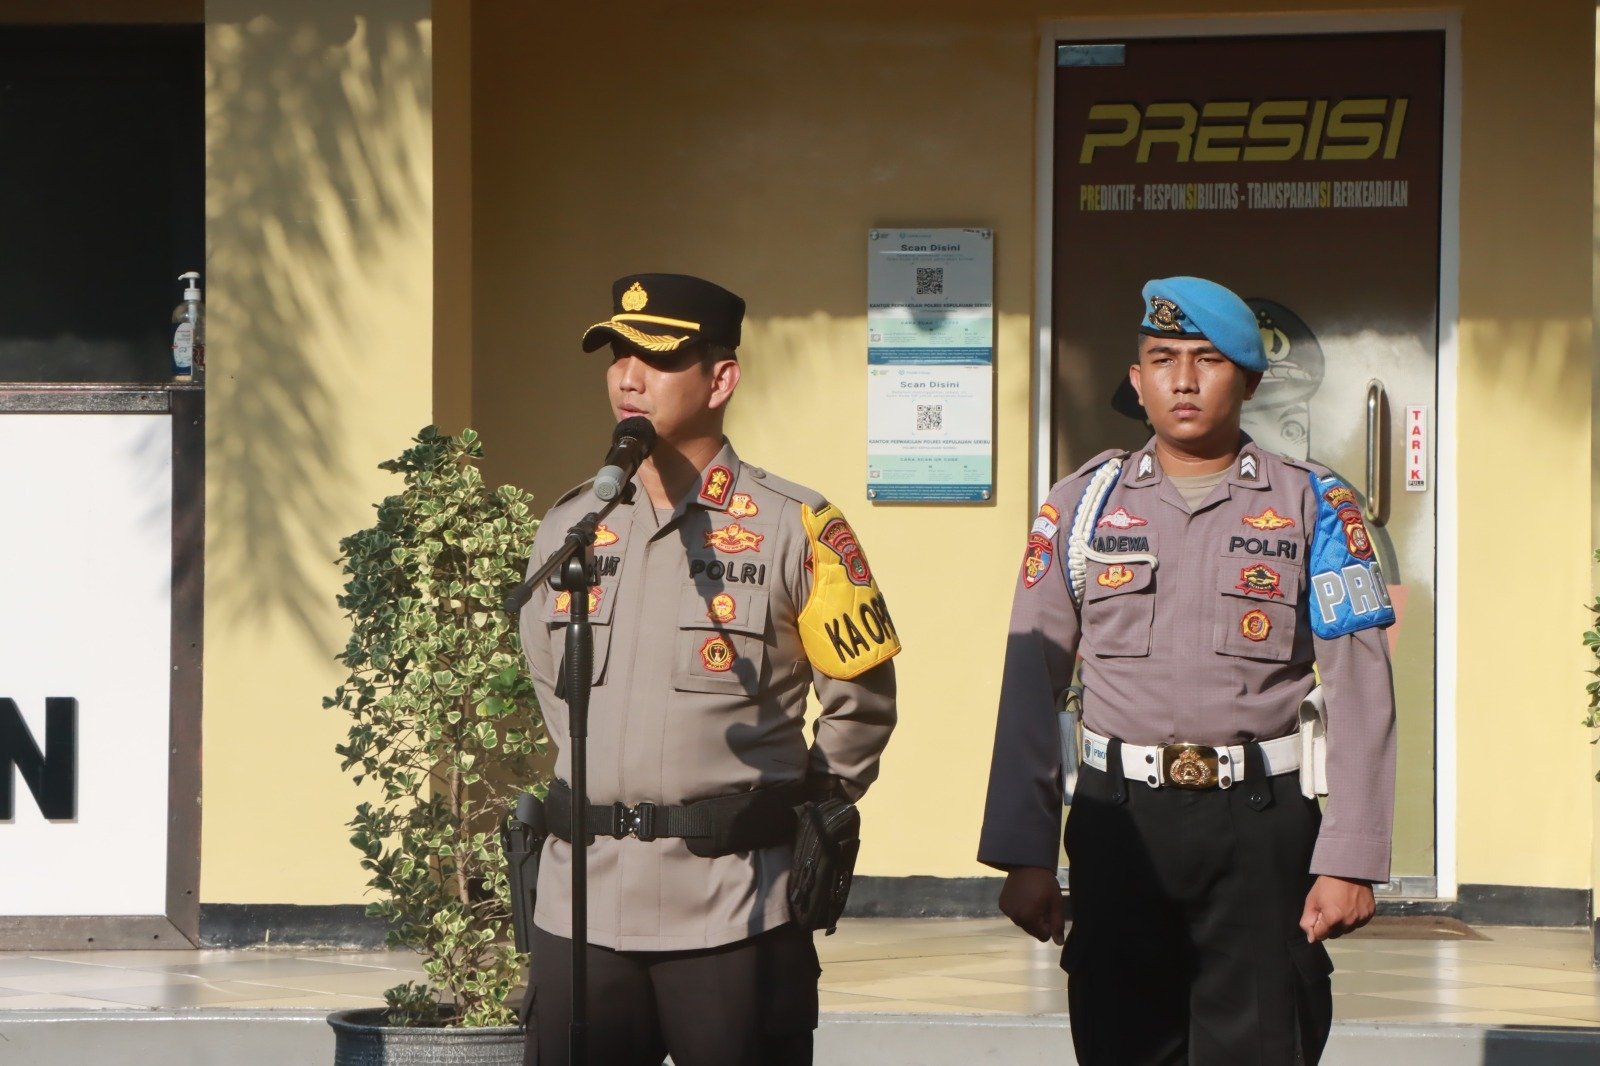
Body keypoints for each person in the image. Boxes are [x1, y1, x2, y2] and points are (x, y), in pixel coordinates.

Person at [978, 276, 1396, 1065]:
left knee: (1264, 1040)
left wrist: (1351, 857)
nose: (1183, 380)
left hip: (1259, 824)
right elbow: (1031, 683)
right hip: (1118, 822)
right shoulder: (1080, 507)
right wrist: (1025, 851)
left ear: (1251, 382)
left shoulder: (1315, 506)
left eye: (1208, 360)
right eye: (1163, 359)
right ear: (1136, 381)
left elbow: (1360, 687)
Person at [518, 272, 899, 1066]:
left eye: (657, 358)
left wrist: (800, 815)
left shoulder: (796, 527)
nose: (628, 377)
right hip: (581, 910)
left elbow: (861, 704)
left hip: (735, 908)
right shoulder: (570, 527)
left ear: (720, 379)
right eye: (618, 355)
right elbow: (552, 688)